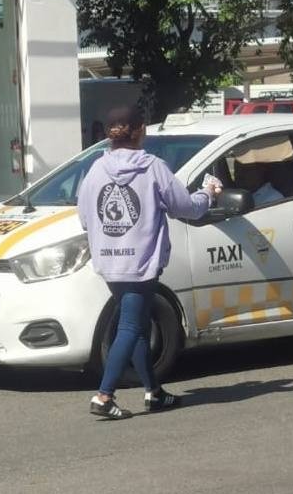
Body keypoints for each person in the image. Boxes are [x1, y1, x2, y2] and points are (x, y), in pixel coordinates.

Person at [78, 105, 221, 419]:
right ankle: (104, 396)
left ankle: (153, 392)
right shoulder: (153, 167)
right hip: (142, 262)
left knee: (140, 326)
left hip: (110, 263)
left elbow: (85, 218)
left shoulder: (95, 170)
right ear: (140, 130)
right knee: (130, 326)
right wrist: (208, 194)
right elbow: (186, 207)